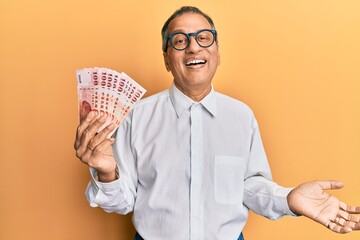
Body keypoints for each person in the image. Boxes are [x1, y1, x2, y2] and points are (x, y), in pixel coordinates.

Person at [74, 6, 360, 240]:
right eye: (179, 41)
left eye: (204, 38)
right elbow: (122, 202)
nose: (193, 48)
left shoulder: (242, 116)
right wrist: (108, 173)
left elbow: (249, 187)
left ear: (217, 52)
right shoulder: (137, 116)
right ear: (166, 59)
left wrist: (289, 198)